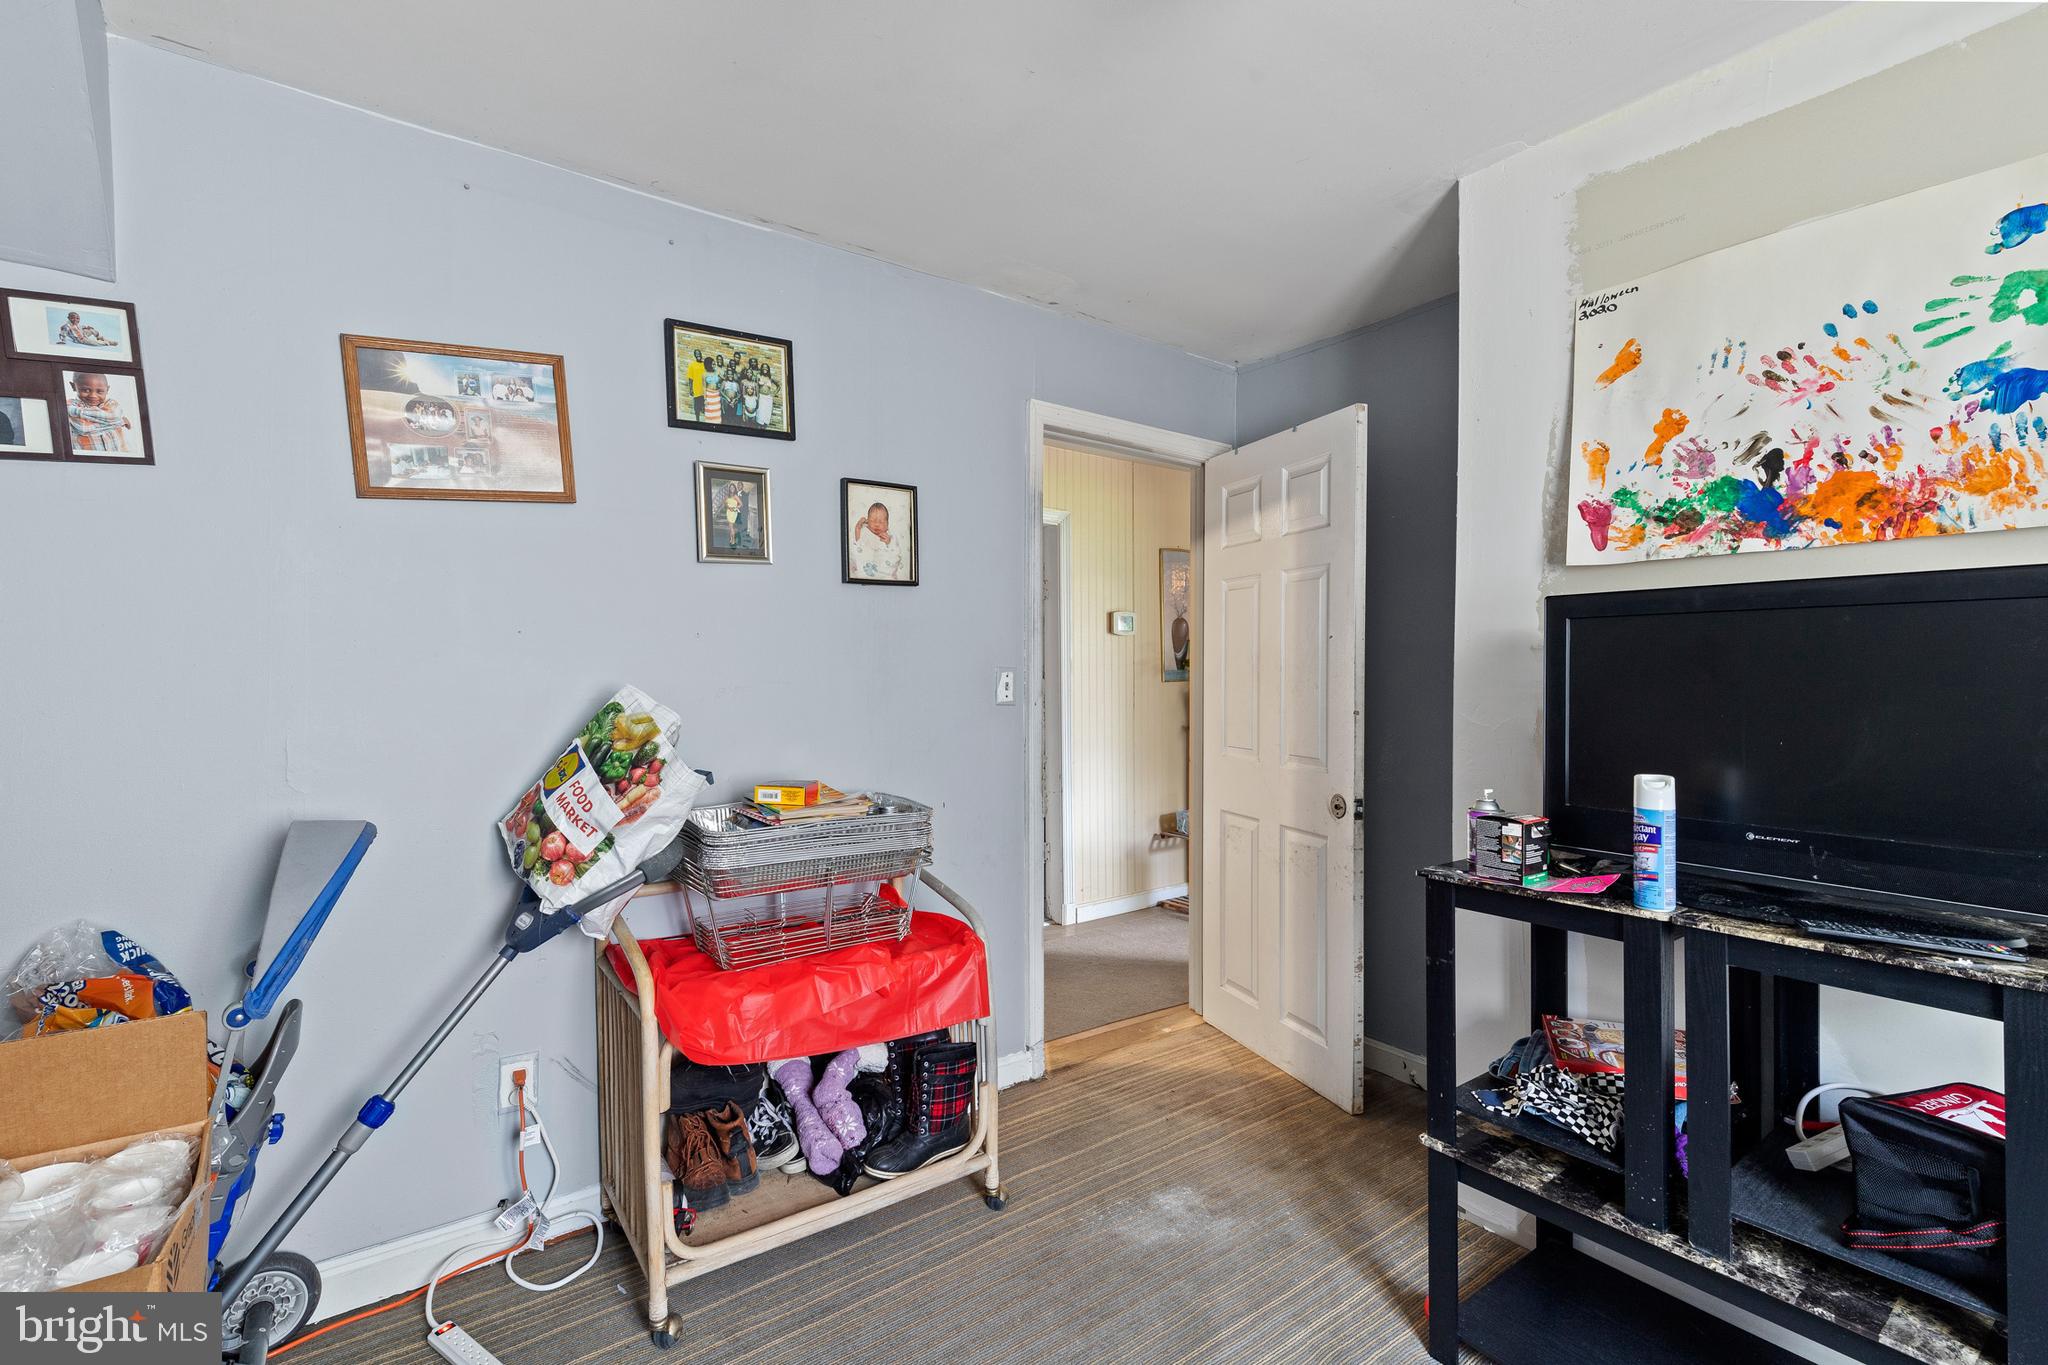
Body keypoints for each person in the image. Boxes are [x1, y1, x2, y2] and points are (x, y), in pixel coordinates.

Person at [67, 372, 132, 452]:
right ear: (73, 386)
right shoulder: (70, 405)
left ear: (107, 389)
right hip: (88, 457)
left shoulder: (112, 404)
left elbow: (114, 416)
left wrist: (115, 420)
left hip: (119, 454)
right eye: (86, 390)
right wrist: (119, 422)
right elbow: (83, 428)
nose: (93, 395)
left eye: (100, 391)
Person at [849, 501, 906, 580]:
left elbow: (896, 556)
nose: (876, 524)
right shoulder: (864, 532)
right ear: (868, 521)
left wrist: (889, 544)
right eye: (872, 521)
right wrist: (857, 529)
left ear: (887, 524)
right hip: (866, 572)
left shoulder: (890, 537)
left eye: (881, 522)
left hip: (885, 574)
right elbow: (858, 548)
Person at [686, 348, 707, 420]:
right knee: (697, 406)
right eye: (696, 354)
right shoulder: (692, 365)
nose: (698, 355)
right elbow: (690, 379)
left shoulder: (704, 364)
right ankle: (697, 419)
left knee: (705, 406)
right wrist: (691, 389)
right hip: (696, 389)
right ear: (695, 355)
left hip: (704, 389)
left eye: (699, 353)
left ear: (701, 354)